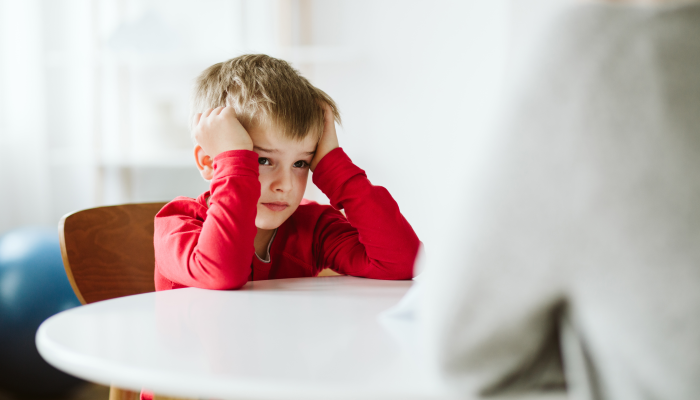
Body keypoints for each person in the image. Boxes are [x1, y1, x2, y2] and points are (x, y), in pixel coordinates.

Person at [417, 1, 700, 399]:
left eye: (304, 164)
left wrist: (335, 166)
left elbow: (455, 347)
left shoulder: (604, 54)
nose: (293, 185)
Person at [153, 54, 419, 291]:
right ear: (212, 162)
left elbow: (402, 262)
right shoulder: (177, 225)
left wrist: (333, 165)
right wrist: (234, 164)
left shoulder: (312, 228)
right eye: (263, 160)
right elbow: (223, 272)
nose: (286, 185)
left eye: (301, 164)